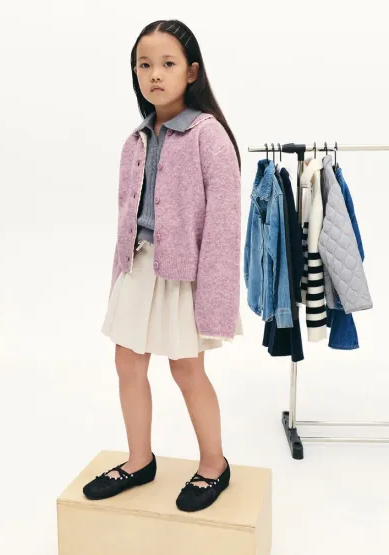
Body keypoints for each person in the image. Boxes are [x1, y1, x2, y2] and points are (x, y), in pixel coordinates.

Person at [83, 19, 243, 512]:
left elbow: (224, 226)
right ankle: (139, 460)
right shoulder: (136, 139)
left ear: (191, 72)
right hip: (138, 265)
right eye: (144, 65)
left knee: (186, 368)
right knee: (126, 362)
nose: (154, 74)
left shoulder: (208, 135)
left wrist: (215, 298)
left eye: (167, 64)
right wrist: (118, 275)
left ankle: (214, 464)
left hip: (183, 273)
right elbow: (125, 215)